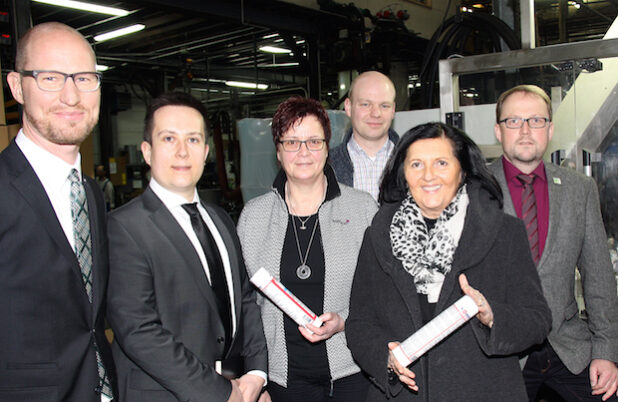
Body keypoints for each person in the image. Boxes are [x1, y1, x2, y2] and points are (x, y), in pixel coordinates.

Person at [346, 122, 552, 401]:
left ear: (463, 170)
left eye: (441, 163)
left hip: (483, 392)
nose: (428, 176)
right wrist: (385, 357)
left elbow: (537, 320)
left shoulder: (504, 232)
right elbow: (359, 323)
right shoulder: (378, 237)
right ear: (404, 173)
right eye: (416, 164)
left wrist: (493, 316)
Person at [106, 92, 267, 402]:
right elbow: (139, 331)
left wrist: (256, 375)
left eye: (193, 140)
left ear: (205, 152)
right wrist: (221, 392)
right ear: (147, 151)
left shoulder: (220, 219)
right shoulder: (124, 227)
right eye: (168, 139)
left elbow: (245, 299)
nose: (182, 152)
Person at [0, 22, 117, 402]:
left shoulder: (90, 194)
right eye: (50, 77)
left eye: (84, 78)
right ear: (17, 86)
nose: (71, 95)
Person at [237, 96, 378, 401]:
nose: (303, 152)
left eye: (314, 141)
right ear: (278, 150)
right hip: (283, 380)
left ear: (328, 147)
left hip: (353, 372)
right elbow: (244, 307)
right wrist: (255, 376)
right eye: (292, 142)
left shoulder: (363, 209)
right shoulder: (253, 217)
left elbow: (383, 292)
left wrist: (344, 320)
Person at [489, 85, 618, 402]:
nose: (525, 130)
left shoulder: (579, 189)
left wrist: (606, 351)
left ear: (550, 128)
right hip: (500, 352)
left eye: (535, 120)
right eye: (514, 121)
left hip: (568, 346)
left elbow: (598, 275)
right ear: (498, 130)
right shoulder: (474, 186)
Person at [330, 71, 399, 201]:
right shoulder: (325, 167)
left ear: (393, 110)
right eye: (366, 104)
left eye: (384, 106)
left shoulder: (414, 164)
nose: (376, 113)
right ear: (348, 107)